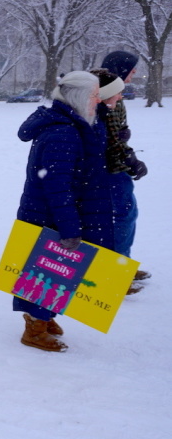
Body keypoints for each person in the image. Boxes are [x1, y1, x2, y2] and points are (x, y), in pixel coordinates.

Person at [13, 71, 113, 352]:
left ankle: (43, 317)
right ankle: (34, 326)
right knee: (46, 271)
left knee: (56, 271)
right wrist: (70, 228)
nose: (98, 101)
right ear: (80, 97)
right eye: (94, 96)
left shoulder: (71, 125)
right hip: (51, 215)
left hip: (52, 213)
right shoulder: (63, 133)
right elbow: (57, 187)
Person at [99, 51, 149, 291]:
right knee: (119, 218)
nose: (135, 73)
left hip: (116, 167)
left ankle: (122, 265)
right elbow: (105, 136)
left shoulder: (116, 95)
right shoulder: (104, 94)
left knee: (127, 214)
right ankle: (116, 273)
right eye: (132, 69)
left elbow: (117, 134)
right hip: (107, 170)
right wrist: (126, 155)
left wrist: (128, 151)